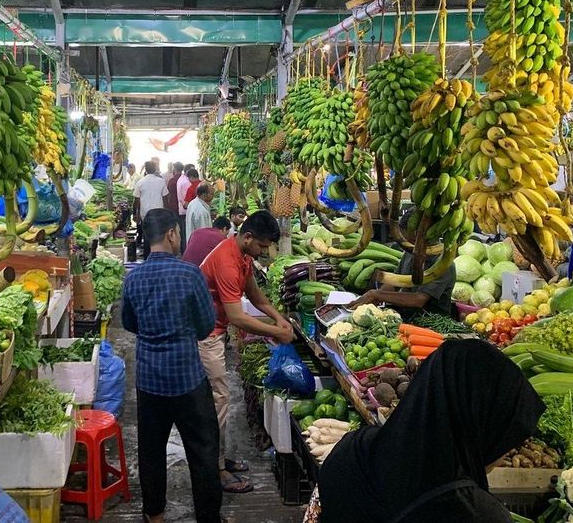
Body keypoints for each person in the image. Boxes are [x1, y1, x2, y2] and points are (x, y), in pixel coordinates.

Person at [306, 338, 544, 523]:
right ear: (481, 426)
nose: (506, 452)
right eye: (506, 437)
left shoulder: (351, 450)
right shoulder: (472, 513)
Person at [122, 209, 222, 523]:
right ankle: (208, 517)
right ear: (171, 234)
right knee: (204, 449)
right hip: (188, 379)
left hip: (150, 379)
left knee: (151, 449)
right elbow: (207, 325)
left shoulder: (133, 277)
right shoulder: (190, 274)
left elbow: (129, 322)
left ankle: (154, 515)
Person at [199, 211, 294, 493]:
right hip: (206, 335)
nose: (264, 252)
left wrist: (278, 318)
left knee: (221, 399)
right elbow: (237, 317)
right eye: (262, 246)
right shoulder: (227, 262)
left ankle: (220, 458)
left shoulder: (242, 257)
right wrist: (277, 332)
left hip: (215, 330)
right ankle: (215, 469)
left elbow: (254, 293)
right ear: (248, 237)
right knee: (219, 400)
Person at [133, 162, 169, 259]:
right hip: (159, 213)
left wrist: (135, 214)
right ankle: (159, 257)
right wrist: (167, 213)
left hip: (145, 214)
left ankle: (147, 258)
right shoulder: (161, 181)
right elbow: (165, 199)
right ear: (155, 169)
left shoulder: (140, 182)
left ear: (146, 169)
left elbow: (136, 201)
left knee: (147, 237)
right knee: (159, 237)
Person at [166, 162, 184, 240]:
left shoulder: (172, 181)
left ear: (175, 169)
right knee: (183, 229)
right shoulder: (184, 180)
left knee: (174, 229)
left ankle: (175, 247)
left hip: (173, 207)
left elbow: (168, 194)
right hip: (183, 208)